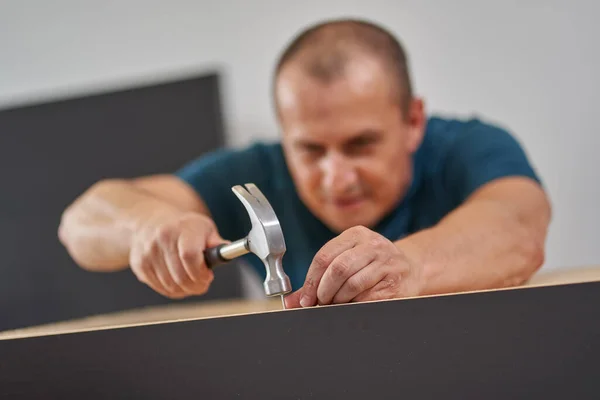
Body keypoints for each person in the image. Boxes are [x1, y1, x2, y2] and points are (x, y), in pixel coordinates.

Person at [58, 18, 552, 309]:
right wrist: (150, 226)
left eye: (361, 144)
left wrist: (409, 266)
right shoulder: (256, 172)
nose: (335, 177)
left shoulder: (470, 147)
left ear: (413, 121)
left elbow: (518, 226)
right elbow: (80, 224)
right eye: (310, 149)